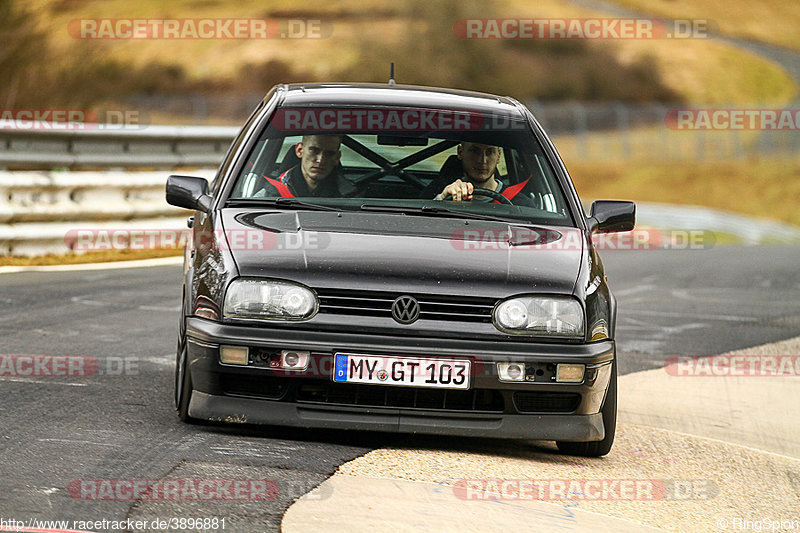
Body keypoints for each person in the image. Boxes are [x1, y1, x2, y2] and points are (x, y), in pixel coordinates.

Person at [423, 142, 533, 205]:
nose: (483, 160)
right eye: (475, 151)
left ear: (498, 156)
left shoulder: (520, 204)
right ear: (460, 152)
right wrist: (441, 200)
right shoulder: (438, 193)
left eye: (490, 152)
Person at [262, 134, 343, 197]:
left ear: (337, 157)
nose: (320, 160)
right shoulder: (270, 194)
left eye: (329, 153)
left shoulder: (350, 197)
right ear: (299, 150)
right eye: (314, 150)